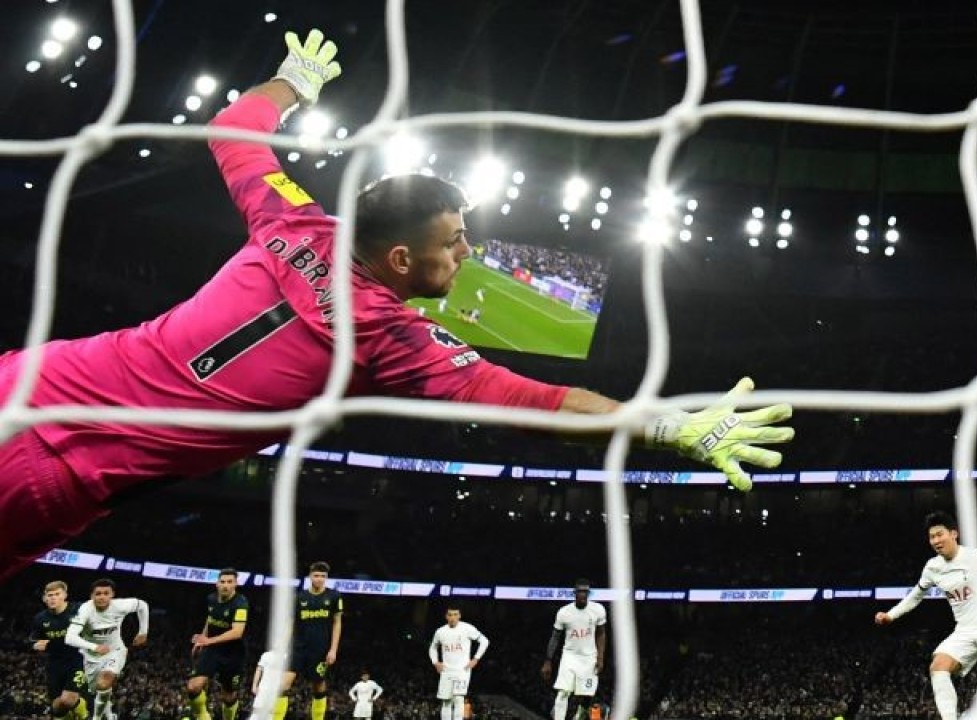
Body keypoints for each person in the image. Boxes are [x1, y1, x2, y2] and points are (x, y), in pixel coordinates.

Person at [0, 27, 794, 584]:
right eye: (456, 239)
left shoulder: (286, 214)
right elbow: (543, 401)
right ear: (402, 257)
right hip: (50, 473)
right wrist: (665, 427)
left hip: (27, 379)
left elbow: (234, 126)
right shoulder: (391, 340)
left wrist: (294, 85)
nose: (470, 251)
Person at [874, 511, 977, 720]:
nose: (936, 540)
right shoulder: (933, 567)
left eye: (940, 534)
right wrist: (890, 615)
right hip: (965, 629)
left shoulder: (976, 557)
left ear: (954, 533)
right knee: (938, 667)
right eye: (932, 537)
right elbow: (916, 595)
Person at [63, 579, 149, 720]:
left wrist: (143, 631)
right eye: (98, 594)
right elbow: (69, 638)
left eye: (106, 593)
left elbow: (142, 605)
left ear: (112, 595)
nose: (102, 597)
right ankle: (110, 716)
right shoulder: (85, 610)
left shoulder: (120, 606)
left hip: (115, 651)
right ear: (92, 596)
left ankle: (96, 718)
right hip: (91, 657)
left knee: (104, 682)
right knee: (98, 690)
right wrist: (95, 647)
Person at [272, 561, 343, 720]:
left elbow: (337, 622)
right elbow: (290, 622)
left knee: (318, 686)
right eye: (316, 575)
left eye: (323, 576)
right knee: (282, 685)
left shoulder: (334, 596)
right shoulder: (299, 597)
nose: (319, 579)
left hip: (320, 649)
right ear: (310, 576)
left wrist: (333, 649)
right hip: (298, 647)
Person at [186, 568, 249, 720]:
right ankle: (203, 717)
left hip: (233, 654)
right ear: (217, 584)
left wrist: (208, 640)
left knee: (228, 696)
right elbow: (210, 619)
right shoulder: (211, 599)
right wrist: (202, 638)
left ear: (236, 584)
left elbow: (237, 632)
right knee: (193, 687)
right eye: (222, 582)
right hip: (212, 650)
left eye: (229, 582)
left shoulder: (241, 603)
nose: (225, 585)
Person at [541, 579, 608, 720]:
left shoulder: (598, 610)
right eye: (580, 591)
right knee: (563, 692)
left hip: (589, 657)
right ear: (574, 593)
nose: (583, 594)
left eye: (585, 591)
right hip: (569, 656)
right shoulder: (564, 613)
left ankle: (578, 717)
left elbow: (601, 633)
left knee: (587, 694)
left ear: (588, 593)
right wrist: (548, 661)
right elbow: (555, 637)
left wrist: (600, 657)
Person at [30, 580, 90, 720]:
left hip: (78, 659)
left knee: (68, 699)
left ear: (65, 595)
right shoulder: (40, 619)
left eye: (57, 594)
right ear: (45, 598)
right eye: (50, 595)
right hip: (55, 664)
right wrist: (35, 645)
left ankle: (85, 715)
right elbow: (32, 640)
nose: (53, 598)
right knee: (57, 708)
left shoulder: (78, 610)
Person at [430, 605, 489, 720]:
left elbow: (484, 641)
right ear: (446, 616)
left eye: (455, 614)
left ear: (460, 616)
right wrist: (435, 662)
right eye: (450, 614)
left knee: (458, 699)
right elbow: (432, 648)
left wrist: (476, 658)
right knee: (446, 701)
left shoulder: (467, 628)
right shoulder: (440, 631)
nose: (453, 617)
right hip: (446, 671)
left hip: (462, 670)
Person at [251, 648, 288, 717]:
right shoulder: (266, 655)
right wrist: (254, 685)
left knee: (272, 715)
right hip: (263, 690)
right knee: (256, 714)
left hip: (276, 692)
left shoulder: (286, 656)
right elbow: (259, 670)